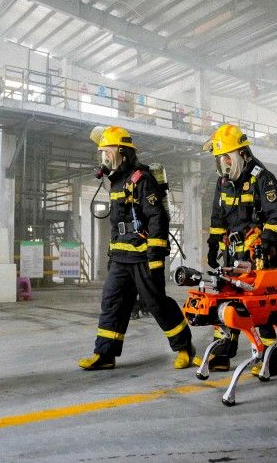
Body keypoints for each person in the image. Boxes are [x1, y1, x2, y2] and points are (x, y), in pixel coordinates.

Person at [79, 126, 195, 370]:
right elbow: (116, 223)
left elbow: (157, 219)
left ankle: (185, 348)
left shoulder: (141, 179)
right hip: (121, 258)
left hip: (143, 257)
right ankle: (105, 354)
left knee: (156, 303)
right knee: (111, 302)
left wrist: (155, 257)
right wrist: (112, 255)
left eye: (107, 152)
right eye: (102, 153)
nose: (104, 157)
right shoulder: (115, 182)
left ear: (122, 152)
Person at [196, 123, 277, 376]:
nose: (222, 163)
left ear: (242, 154)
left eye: (226, 157)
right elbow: (218, 218)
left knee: (264, 306)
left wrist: (266, 243)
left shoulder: (262, 178)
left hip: (259, 255)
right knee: (226, 301)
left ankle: (271, 358)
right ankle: (222, 354)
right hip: (232, 255)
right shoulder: (223, 182)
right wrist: (213, 244)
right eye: (219, 158)